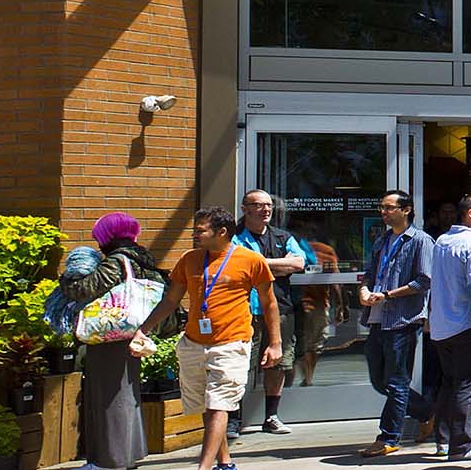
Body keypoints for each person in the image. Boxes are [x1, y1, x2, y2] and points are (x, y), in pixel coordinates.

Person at [138, 207, 278, 470]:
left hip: (232, 343)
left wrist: (275, 344)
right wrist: (143, 329)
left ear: (222, 232)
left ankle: (203, 467)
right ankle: (224, 462)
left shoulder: (251, 260)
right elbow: (171, 300)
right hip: (193, 343)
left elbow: (270, 304)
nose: (195, 234)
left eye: (201, 230)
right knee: (207, 404)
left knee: (219, 406)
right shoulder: (189, 259)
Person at [59, 213, 173, 470]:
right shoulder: (142, 258)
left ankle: (111, 461)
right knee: (125, 394)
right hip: (133, 335)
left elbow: (82, 289)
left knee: (109, 397)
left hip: (110, 337)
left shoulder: (116, 261)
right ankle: (125, 455)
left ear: (108, 236)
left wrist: (67, 277)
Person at [356, 190, 436, 458]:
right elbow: (369, 274)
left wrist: (388, 294)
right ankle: (426, 412)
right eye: (382, 207)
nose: (384, 212)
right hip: (377, 318)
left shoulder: (421, 241)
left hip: (403, 319)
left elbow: (424, 281)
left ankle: (388, 437)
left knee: (397, 381)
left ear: (407, 210)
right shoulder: (382, 241)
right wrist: (365, 290)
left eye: (389, 208)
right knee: (380, 381)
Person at [232, 190, 309, 437]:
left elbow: (299, 263)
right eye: (259, 205)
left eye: (269, 205)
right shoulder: (233, 237)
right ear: (245, 208)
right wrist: (278, 265)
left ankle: (271, 416)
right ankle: (234, 420)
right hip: (244, 310)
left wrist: (257, 262)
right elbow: (235, 265)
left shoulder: (282, 236)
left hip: (280, 310)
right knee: (240, 366)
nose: (266, 210)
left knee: (277, 364)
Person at [429, 195, 471, 462]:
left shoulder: (444, 240)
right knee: (466, 385)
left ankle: (444, 440)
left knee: (450, 383)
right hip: (466, 325)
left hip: (442, 324)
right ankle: (461, 446)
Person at [293, 228, 341, 388]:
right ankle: (307, 378)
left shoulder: (293, 247)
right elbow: (335, 281)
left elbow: (335, 279)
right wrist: (342, 305)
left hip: (300, 303)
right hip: (316, 305)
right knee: (313, 345)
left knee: (303, 344)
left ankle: (306, 378)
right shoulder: (326, 250)